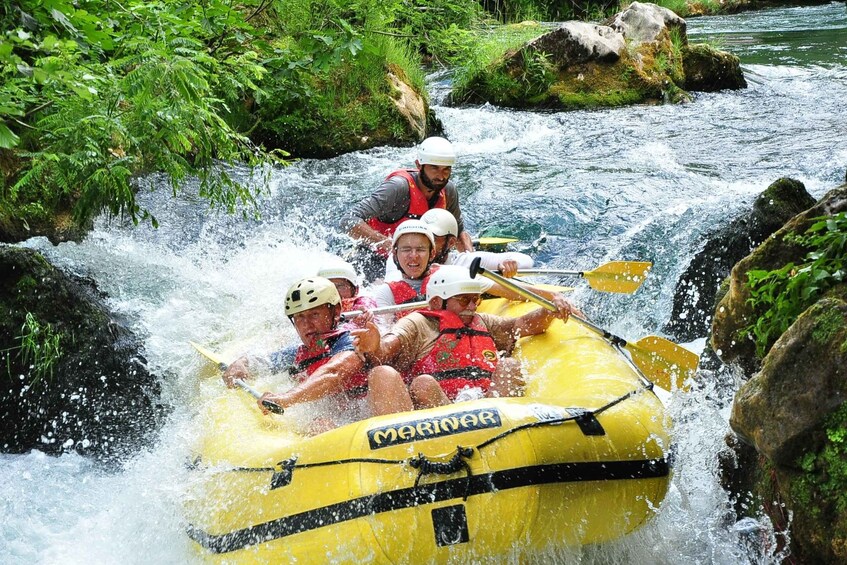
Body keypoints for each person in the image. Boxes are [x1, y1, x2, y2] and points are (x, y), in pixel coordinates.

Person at [352, 265, 573, 410]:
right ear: (438, 302)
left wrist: (550, 310)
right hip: (437, 415)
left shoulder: (482, 321)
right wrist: (374, 346)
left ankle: (506, 435)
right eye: (464, 300)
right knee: (423, 384)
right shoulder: (417, 323)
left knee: (510, 366)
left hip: (487, 408)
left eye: (475, 300)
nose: (471, 307)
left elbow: (522, 325)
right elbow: (387, 349)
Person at [220, 277, 404, 428]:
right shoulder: (300, 353)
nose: (306, 324)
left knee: (383, 374)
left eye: (314, 315)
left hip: (376, 422)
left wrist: (286, 398)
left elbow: (334, 372)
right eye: (299, 317)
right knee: (318, 425)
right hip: (345, 427)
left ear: (336, 311)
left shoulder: (351, 339)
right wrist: (241, 363)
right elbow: (264, 361)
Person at [340, 136, 474, 281]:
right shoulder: (398, 188)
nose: (440, 176)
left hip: (420, 262)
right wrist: (390, 245)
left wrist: (470, 258)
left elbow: (458, 232)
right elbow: (348, 220)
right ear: (419, 165)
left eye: (446, 170)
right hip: (375, 258)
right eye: (434, 168)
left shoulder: (449, 190)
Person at [384, 208, 535, 281]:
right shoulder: (400, 259)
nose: (425, 243)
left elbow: (527, 261)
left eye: (434, 238)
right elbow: (392, 281)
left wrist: (506, 264)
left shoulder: (463, 262)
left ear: (450, 243)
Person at [316, 258, 377, 329]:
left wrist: (359, 320)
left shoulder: (364, 302)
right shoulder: (314, 306)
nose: (333, 291)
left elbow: (366, 308)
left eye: (340, 286)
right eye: (327, 287)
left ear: (355, 290)